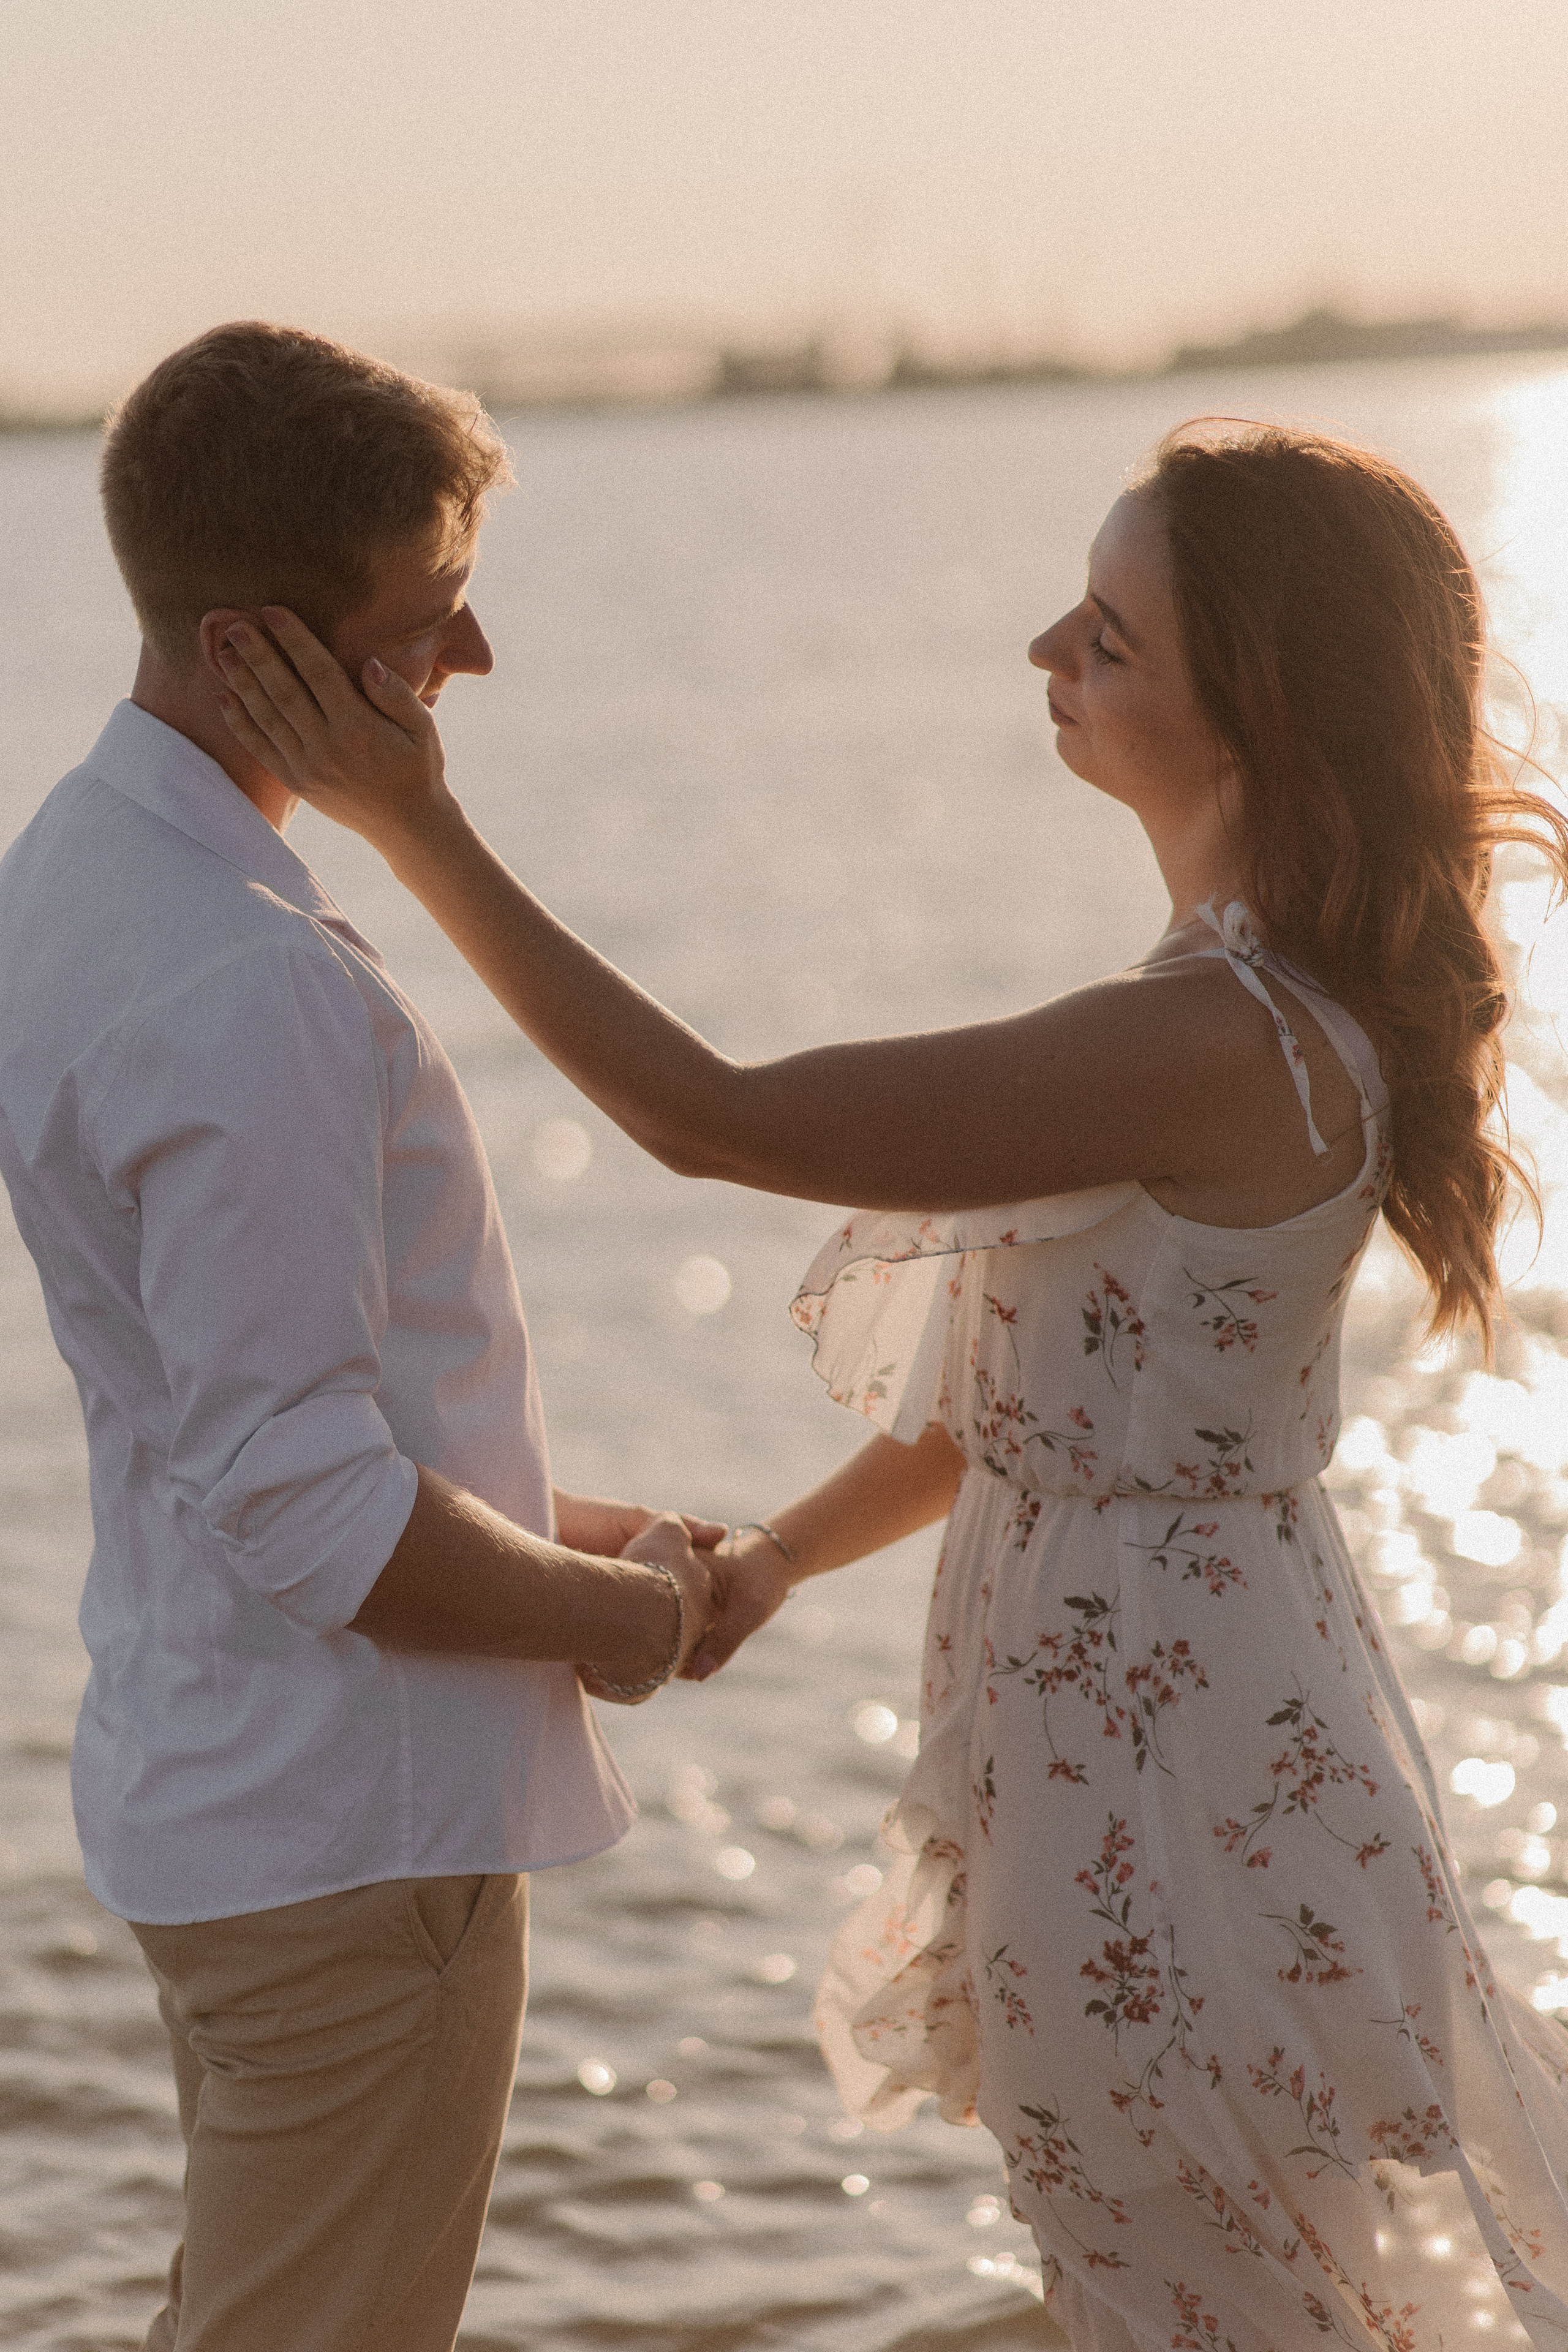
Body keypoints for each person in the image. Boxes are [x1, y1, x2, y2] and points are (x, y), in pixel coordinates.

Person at [216, 421, 1568, 2348]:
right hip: (1155, 1692)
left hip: (1161, 1751)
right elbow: (1032, 1404)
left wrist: (410, 818)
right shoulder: (1236, 1010)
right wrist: (776, 1554)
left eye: (1107, 637)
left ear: (1250, 717)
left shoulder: (1208, 1034)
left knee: (1201, 2279)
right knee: (1192, 2268)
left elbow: (711, 1120)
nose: (1044, 650)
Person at [0, 321, 722, 2352]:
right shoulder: (248, 983)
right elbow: (308, 1506)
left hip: (217, 1789)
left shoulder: (63, 876)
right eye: (427, 627)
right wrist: (621, 1626)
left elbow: (219, 1413)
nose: (465, 673)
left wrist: (577, 1529)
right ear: (257, 651)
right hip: (348, 1834)